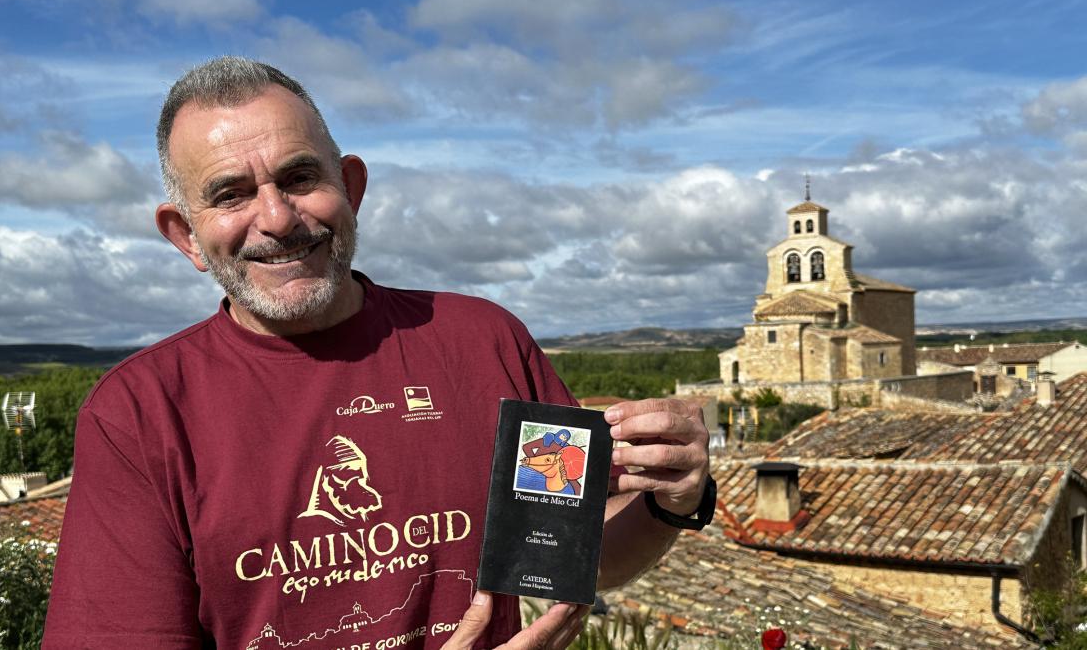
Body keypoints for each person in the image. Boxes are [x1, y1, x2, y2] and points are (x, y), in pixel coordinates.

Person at [42, 57, 710, 650]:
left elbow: (571, 556)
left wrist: (671, 504)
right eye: (230, 194)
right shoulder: (138, 415)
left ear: (351, 188)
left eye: (299, 176)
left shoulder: (483, 342)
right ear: (186, 235)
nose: (277, 218)